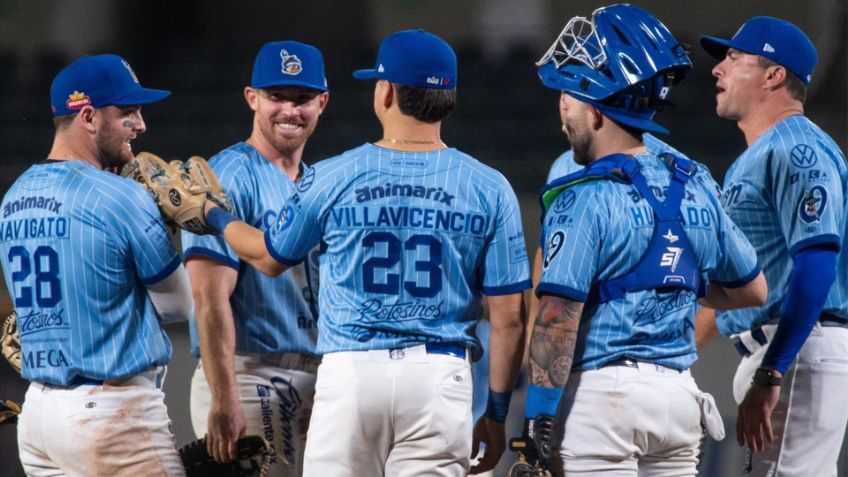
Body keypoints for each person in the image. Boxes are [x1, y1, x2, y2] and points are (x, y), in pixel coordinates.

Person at [199, 29, 530, 476]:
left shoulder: (335, 175)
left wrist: (211, 214)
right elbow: (509, 320)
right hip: (439, 376)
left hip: (350, 372)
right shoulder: (490, 187)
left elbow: (269, 256)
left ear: (386, 92)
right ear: (448, 98)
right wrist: (494, 412)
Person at [513, 5, 767, 476]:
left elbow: (557, 317)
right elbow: (753, 290)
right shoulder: (698, 184)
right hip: (678, 399)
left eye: (568, 97)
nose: (562, 110)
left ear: (594, 109)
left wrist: (538, 421)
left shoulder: (581, 195)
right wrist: (673, 281)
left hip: (604, 400)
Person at [0, 54, 191, 476]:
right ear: (88, 116)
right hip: (112, 415)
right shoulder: (123, 197)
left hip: (38, 415)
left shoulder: (12, 197)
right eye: (128, 112)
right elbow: (180, 305)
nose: (141, 125)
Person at [698, 16, 848, 476]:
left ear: (774, 74)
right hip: (780, 351)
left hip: (795, 348)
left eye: (734, 58)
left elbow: (817, 263)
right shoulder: (761, 154)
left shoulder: (798, 148)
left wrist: (773, 371)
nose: (717, 70)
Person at [181, 41, 328, 475]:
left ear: (322, 102)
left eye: (302, 99)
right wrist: (224, 396)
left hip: (313, 373)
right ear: (252, 98)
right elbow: (209, 299)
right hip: (250, 374)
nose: (290, 110)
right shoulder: (226, 177)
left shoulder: (320, 182)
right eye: (276, 97)